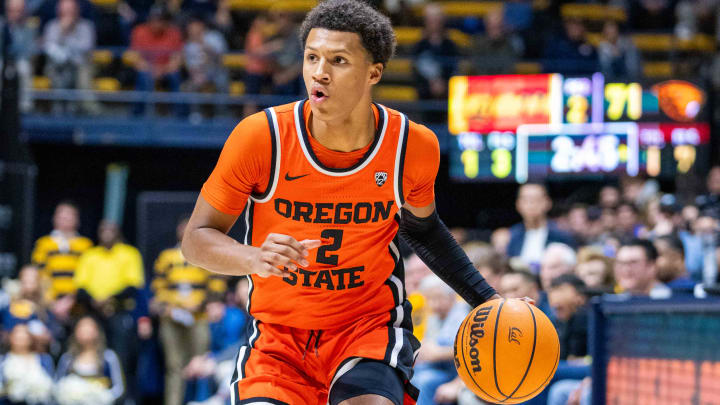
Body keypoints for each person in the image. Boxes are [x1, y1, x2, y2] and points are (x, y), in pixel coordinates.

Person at [181, 1, 515, 403]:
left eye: (338, 60)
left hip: (366, 328)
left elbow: (423, 230)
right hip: (278, 338)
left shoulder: (412, 146)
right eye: (311, 57)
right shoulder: (261, 136)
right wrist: (253, 258)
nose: (319, 72)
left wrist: (490, 301)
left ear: (373, 72)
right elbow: (196, 239)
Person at [152, 216, 226, 405]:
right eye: (182, 228)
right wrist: (172, 304)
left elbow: (217, 285)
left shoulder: (206, 255)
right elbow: (158, 286)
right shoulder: (166, 256)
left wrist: (201, 303)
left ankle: (200, 401)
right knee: (174, 366)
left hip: (199, 316)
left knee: (201, 362)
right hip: (171, 316)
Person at [74, 220, 144, 401]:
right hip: (94, 313)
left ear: (118, 232)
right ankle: (92, 396)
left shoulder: (129, 253)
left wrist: (109, 298)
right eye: (103, 229)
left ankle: (122, 398)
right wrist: (96, 300)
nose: (106, 233)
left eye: (110, 229)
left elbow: (134, 286)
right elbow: (80, 287)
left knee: (122, 356)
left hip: (119, 312)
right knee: (92, 351)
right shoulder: (90, 255)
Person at [410, 275, 469, 405]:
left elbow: (471, 351)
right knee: (409, 376)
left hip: (459, 375)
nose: (433, 304)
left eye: (438, 298)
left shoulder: (463, 314)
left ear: (451, 296)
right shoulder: (434, 317)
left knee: (426, 380)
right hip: (437, 368)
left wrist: (439, 353)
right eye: (429, 299)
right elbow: (425, 345)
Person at [31, 201, 93, 324]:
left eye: (69, 216)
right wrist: (52, 302)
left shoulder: (86, 245)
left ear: (77, 219)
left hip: (78, 307)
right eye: (62, 216)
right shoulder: (43, 244)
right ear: (54, 218)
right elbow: (40, 274)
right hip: (50, 308)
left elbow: (88, 276)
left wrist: (71, 300)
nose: (65, 219)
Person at [42, 0, 99, 114]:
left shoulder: (86, 26)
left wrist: (67, 43)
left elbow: (86, 47)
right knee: (57, 73)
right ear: (59, 12)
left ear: (77, 11)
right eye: (65, 11)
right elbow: (49, 48)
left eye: (71, 11)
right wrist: (63, 32)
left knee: (82, 72)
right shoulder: (52, 26)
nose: (68, 14)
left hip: (80, 65)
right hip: (57, 66)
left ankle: (88, 109)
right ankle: (59, 108)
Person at [55, 316, 124, 405]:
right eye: (81, 327)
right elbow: (58, 384)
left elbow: (118, 388)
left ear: (97, 332)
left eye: (89, 327)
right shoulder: (67, 359)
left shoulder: (108, 357)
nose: (85, 330)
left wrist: (102, 398)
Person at [507, 183, 576, 270]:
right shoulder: (513, 235)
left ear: (548, 203)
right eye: (526, 200)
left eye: (536, 200)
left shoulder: (562, 235)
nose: (531, 205)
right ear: (518, 204)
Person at [130, 5, 183, 115]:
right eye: (154, 19)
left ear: (166, 21)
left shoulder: (174, 33)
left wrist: (162, 70)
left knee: (175, 76)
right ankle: (137, 114)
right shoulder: (139, 31)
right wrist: (152, 69)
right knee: (143, 77)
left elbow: (176, 60)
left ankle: (179, 114)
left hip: (166, 70)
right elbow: (135, 58)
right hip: (147, 69)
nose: (156, 23)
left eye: (160, 20)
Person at [411, 3, 458, 100]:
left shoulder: (451, 46)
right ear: (425, 21)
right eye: (431, 19)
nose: (434, 23)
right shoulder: (419, 47)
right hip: (425, 99)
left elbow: (456, 70)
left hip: (448, 98)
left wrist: (444, 84)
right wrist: (430, 84)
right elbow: (415, 72)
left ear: (442, 21)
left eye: (437, 19)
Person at [0, 324, 54, 405]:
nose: (21, 337)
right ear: (10, 337)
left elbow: (51, 385)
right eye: (17, 333)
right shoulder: (3, 360)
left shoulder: (44, 359)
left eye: (24, 334)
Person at [0, 0, 37, 112]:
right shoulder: (2, 26)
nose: (16, 14)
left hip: (21, 60)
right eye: (12, 11)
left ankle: (25, 107)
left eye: (19, 11)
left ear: (24, 12)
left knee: (24, 68)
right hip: (3, 59)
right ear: (7, 11)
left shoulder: (29, 28)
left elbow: (29, 50)